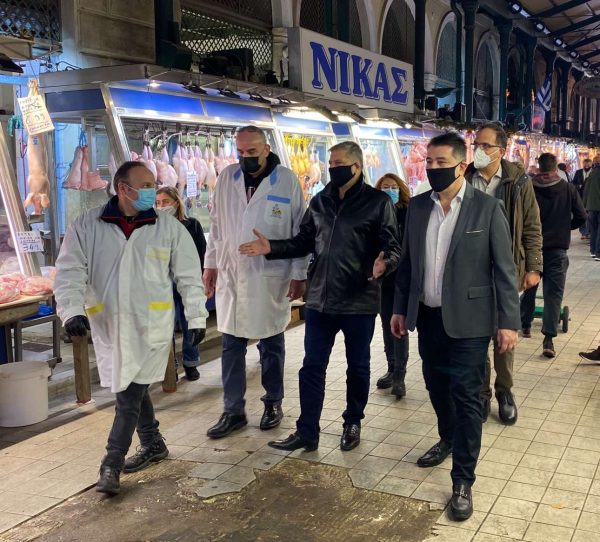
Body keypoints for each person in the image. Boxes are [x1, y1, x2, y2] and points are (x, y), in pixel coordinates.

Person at [54, 162, 207, 496]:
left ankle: (111, 462)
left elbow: (189, 276)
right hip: (109, 325)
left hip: (151, 326)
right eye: (147, 185)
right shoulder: (87, 225)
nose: (153, 190)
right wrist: (71, 310)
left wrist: (196, 317)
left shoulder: (168, 228)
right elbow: (69, 270)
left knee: (128, 394)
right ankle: (153, 442)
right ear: (123, 188)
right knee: (130, 386)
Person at [239, 141, 401, 452]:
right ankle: (307, 431)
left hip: (358, 300)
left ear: (356, 166)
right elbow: (303, 241)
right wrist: (272, 247)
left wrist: (385, 264)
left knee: (358, 367)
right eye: (331, 163)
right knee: (312, 367)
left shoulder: (378, 202)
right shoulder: (320, 201)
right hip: (319, 301)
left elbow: (393, 246)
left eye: (339, 163)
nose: (332, 169)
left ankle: (352, 422)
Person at [391, 132, 520, 521]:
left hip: (470, 321)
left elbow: (504, 269)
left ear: (462, 166)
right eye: (429, 162)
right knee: (435, 385)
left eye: (441, 163)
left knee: (466, 396)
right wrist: (400, 309)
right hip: (428, 316)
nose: (433, 169)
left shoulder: (486, 208)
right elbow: (408, 263)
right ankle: (447, 437)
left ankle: (463, 480)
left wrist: (508, 322)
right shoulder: (418, 207)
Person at [203, 125, 307, 439]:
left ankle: (273, 403)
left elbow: (300, 231)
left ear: (266, 149)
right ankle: (233, 410)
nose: (246, 157)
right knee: (231, 346)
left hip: (268, 275)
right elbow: (216, 225)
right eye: (241, 151)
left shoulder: (286, 180)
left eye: (252, 151)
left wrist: (299, 274)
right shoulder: (227, 177)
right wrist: (210, 265)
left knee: (271, 344)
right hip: (232, 273)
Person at [465, 122, 542, 425]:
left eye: (486, 145)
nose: (480, 150)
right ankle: (482, 392)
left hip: (506, 269)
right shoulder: (465, 178)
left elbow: (532, 225)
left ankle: (505, 391)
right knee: (476, 335)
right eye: (477, 145)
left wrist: (533, 266)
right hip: (471, 271)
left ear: (501, 150)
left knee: (504, 332)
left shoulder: (518, 181)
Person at [520, 153, 587, 358]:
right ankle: (548, 339)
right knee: (553, 294)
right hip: (557, 249)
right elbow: (581, 216)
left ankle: (525, 324)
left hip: (532, 248)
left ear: (539, 167)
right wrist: (565, 228)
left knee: (529, 287)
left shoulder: (528, 187)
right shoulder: (568, 188)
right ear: (555, 168)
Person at [156, 186, 207, 381]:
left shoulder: (192, 225)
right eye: (157, 203)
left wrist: (201, 279)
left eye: (165, 202)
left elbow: (201, 252)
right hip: (163, 283)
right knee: (165, 325)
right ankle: (171, 367)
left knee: (190, 323)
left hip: (186, 282)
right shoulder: (154, 227)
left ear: (176, 203)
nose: (161, 206)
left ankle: (191, 363)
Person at [373, 173, 410, 398]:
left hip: (404, 278)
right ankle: (391, 367)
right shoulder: (375, 212)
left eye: (394, 187)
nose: (390, 190)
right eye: (385, 187)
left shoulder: (409, 211)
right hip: (384, 278)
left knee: (400, 325)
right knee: (387, 324)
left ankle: (400, 375)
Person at [573, 158, 593, 239]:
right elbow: (573, 183)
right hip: (580, 197)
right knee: (582, 214)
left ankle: (589, 232)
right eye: (585, 164)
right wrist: (578, 186)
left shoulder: (593, 172)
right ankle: (583, 232)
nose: (586, 166)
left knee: (590, 215)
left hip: (590, 197)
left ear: (591, 164)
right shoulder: (578, 172)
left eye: (588, 164)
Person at [584, 163, 600, 261]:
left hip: (591, 206)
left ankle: (593, 251)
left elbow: (586, 190)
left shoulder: (592, 174)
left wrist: (585, 205)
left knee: (593, 229)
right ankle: (598, 253)